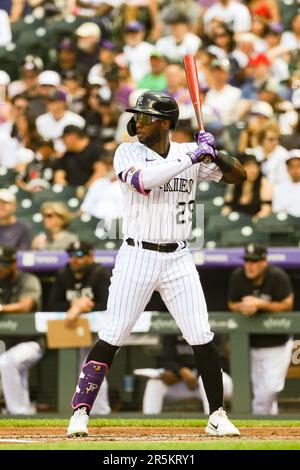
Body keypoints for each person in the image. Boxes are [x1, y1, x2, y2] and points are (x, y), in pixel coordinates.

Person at [67, 91, 246, 438]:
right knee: (112, 334)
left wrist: (217, 154)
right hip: (138, 254)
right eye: (137, 115)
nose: (138, 122)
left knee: (201, 335)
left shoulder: (185, 153)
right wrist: (194, 155)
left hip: (179, 256)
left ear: (165, 123)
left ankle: (217, 415)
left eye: (146, 117)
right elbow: (143, 182)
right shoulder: (128, 151)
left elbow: (238, 176)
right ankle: (81, 411)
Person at [228, 243, 294, 415]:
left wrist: (260, 304)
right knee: (260, 390)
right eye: (247, 261)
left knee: (271, 388)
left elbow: (288, 304)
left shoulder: (277, 276)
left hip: (277, 344)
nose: (250, 265)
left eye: (254, 261)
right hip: (252, 344)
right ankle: (267, 428)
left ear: (264, 262)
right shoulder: (238, 276)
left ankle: (258, 418)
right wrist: (243, 306)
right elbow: (231, 303)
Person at [50, 240, 111, 415]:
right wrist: (75, 305)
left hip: (100, 331)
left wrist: (85, 307)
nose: (74, 260)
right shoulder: (63, 274)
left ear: (90, 256)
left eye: (79, 255)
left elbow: (108, 304)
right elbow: (53, 304)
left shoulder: (100, 273)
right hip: (72, 329)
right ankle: (89, 410)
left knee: (93, 365)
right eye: (71, 255)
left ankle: (101, 411)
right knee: (83, 365)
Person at [142, 334, 233, 415]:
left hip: (220, 385)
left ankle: (215, 418)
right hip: (184, 384)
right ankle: (147, 422)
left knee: (205, 378)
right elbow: (166, 361)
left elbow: (219, 361)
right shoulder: (171, 332)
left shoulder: (209, 330)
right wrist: (180, 372)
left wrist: (195, 375)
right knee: (154, 383)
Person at [0, 246, 43, 414]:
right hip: (6, 341)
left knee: (7, 362)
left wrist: (2, 308)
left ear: (14, 263)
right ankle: (24, 412)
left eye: (4, 263)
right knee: (13, 367)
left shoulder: (27, 279)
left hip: (31, 341)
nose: (1, 268)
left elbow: (26, 305)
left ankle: (17, 413)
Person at [272, 150, 300, 217]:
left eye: (298, 166)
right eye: (292, 166)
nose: (295, 170)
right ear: (287, 168)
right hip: (286, 224)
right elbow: (277, 211)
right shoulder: (279, 188)